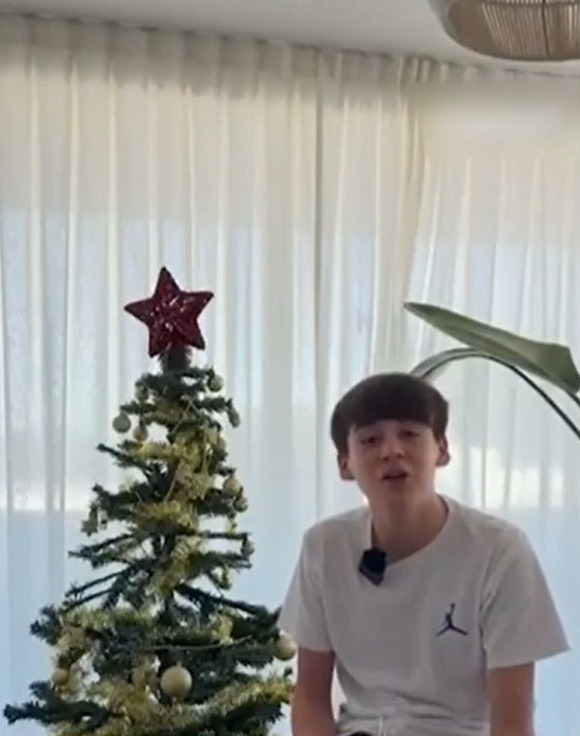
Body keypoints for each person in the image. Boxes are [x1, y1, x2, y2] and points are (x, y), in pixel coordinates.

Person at [278, 372, 569, 736]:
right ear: (345, 464)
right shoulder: (324, 547)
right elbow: (309, 698)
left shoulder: (500, 551)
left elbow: (513, 723)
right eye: (370, 440)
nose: (392, 451)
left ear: (441, 449)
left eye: (410, 434)